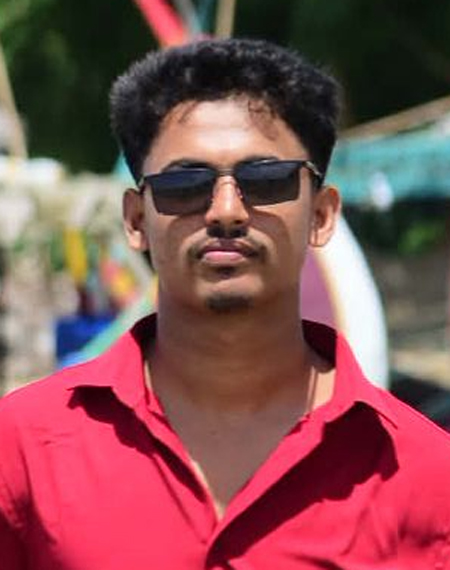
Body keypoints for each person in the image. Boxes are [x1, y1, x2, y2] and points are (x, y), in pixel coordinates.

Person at [1, 38, 450, 570]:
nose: (227, 210)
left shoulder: (425, 474)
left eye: (267, 180)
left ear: (322, 215)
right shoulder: (23, 447)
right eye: (185, 183)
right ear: (137, 219)